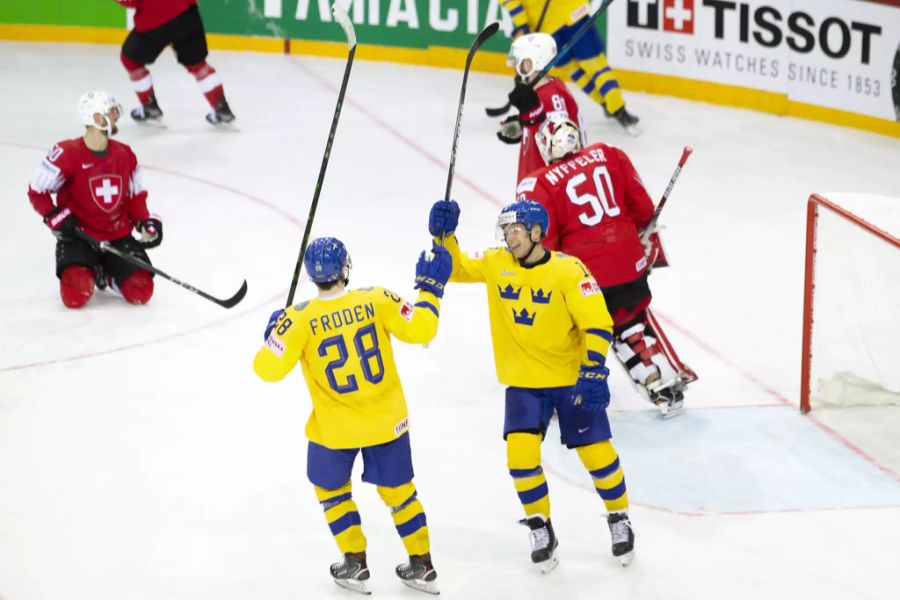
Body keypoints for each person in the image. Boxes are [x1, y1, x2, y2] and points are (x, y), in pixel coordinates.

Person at [427, 199, 636, 571]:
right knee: (520, 461)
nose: (510, 238)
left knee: (597, 456)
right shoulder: (497, 263)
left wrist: (592, 370)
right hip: (523, 383)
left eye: (517, 231)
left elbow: (598, 322)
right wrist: (445, 236)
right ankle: (541, 527)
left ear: (537, 232)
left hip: (569, 379)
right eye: (506, 231)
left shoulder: (569, 271)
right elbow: (454, 269)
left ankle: (619, 519)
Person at [253, 237, 452, 595]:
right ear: (345, 269)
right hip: (386, 421)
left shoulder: (297, 319)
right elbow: (424, 328)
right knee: (401, 495)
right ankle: (422, 564)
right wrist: (430, 290)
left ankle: (355, 562)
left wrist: (273, 336)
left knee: (331, 490)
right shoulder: (376, 298)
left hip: (335, 429)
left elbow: (266, 370)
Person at [517, 114, 696, 416]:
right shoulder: (610, 153)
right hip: (629, 266)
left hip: (584, 277)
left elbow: (545, 245)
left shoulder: (540, 183)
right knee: (629, 325)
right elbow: (642, 209)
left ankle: (564, 393)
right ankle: (662, 383)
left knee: (567, 331)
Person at [27, 91, 162, 308]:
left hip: (117, 235)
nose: (117, 116)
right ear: (98, 118)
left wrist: (145, 221)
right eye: (111, 112)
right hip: (81, 237)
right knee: (75, 295)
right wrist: (56, 216)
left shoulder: (125, 154)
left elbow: (136, 197)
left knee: (141, 291)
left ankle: (107, 273)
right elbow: (37, 192)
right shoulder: (66, 153)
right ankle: (92, 268)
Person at [499, 0, 640, 134]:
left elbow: (513, 5)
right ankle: (617, 108)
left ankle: (612, 106)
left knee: (579, 71)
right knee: (593, 67)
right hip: (571, 15)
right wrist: (522, 28)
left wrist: (522, 26)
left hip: (552, 27)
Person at [114, 0, 235, 126]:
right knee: (198, 64)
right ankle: (222, 110)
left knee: (130, 60)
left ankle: (150, 107)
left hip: (155, 17)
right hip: (186, 12)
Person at [498, 32, 587, 186]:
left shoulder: (550, 98)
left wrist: (533, 120)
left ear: (529, 64)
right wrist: (524, 125)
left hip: (546, 191)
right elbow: (546, 128)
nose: (514, 68)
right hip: (536, 185)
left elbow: (564, 147)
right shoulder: (541, 94)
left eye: (518, 63)